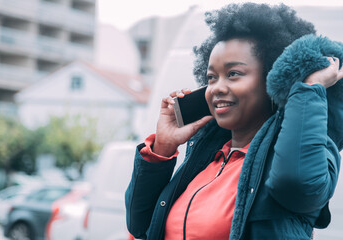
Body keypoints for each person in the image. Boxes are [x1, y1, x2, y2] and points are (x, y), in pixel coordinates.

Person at [125, 3, 343, 239]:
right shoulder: (205, 159)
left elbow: (296, 184)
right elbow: (139, 224)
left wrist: (308, 90)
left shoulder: (293, 156)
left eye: (233, 74)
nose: (217, 88)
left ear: (273, 80)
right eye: (211, 77)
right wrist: (163, 149)